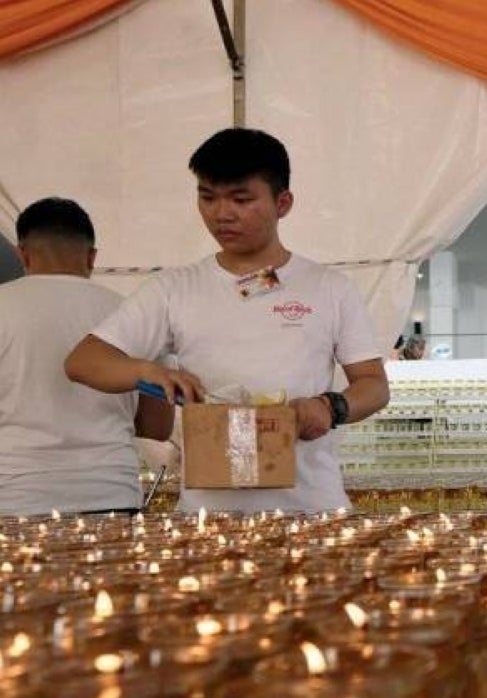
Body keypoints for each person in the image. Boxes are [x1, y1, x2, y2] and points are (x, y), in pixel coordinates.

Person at [66, 128, 389, 513]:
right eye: (208, 198)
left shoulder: (329, 287)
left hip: (311, 510)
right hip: (208, 518)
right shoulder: (174, 288)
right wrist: (146, 372)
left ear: (282, 203)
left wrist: (329, 406)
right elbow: (83, 362)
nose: (222, 213)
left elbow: (373, 385)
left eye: (241, 199)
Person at [0, 198, 173, 515]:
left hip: (14, 498)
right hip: (110, 494)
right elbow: (158, 427)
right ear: (92, 257)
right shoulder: (132, 314)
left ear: (21, 253)